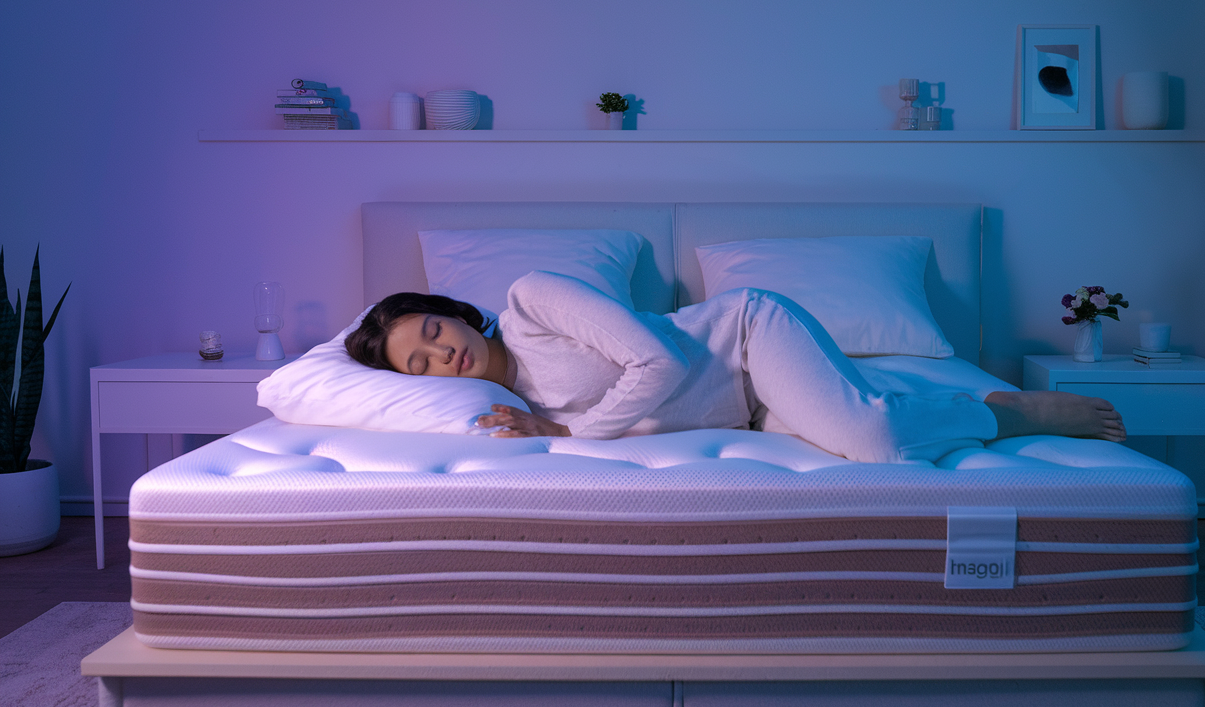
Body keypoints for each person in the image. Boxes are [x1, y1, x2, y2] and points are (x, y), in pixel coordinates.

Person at [346, 271, 1125, 464]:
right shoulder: (499, 398)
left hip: (749, 338)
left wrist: (567, 433)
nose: (441, 352)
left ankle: (1009, 410)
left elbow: (657, 356)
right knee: (860, 425)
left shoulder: (530, 300)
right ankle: (922, 392)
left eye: (433, 329)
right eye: (421, 364)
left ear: (451, 309)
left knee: (876, 446)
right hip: (738, 411)